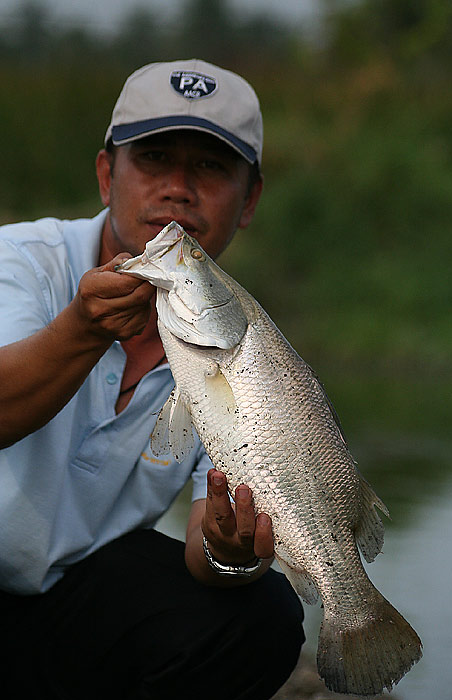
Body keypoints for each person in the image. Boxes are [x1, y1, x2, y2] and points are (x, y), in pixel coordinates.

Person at [0, 59, 304, 699]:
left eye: (212, 168)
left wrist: (233, 552)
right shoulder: (21, 263)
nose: (177, 189)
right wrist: (82, 331)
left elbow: (205, 548)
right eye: (155, 158)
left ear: (248, 199)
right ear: (109, 175)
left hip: (65, 604)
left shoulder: (240, 349)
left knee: (264, 612)